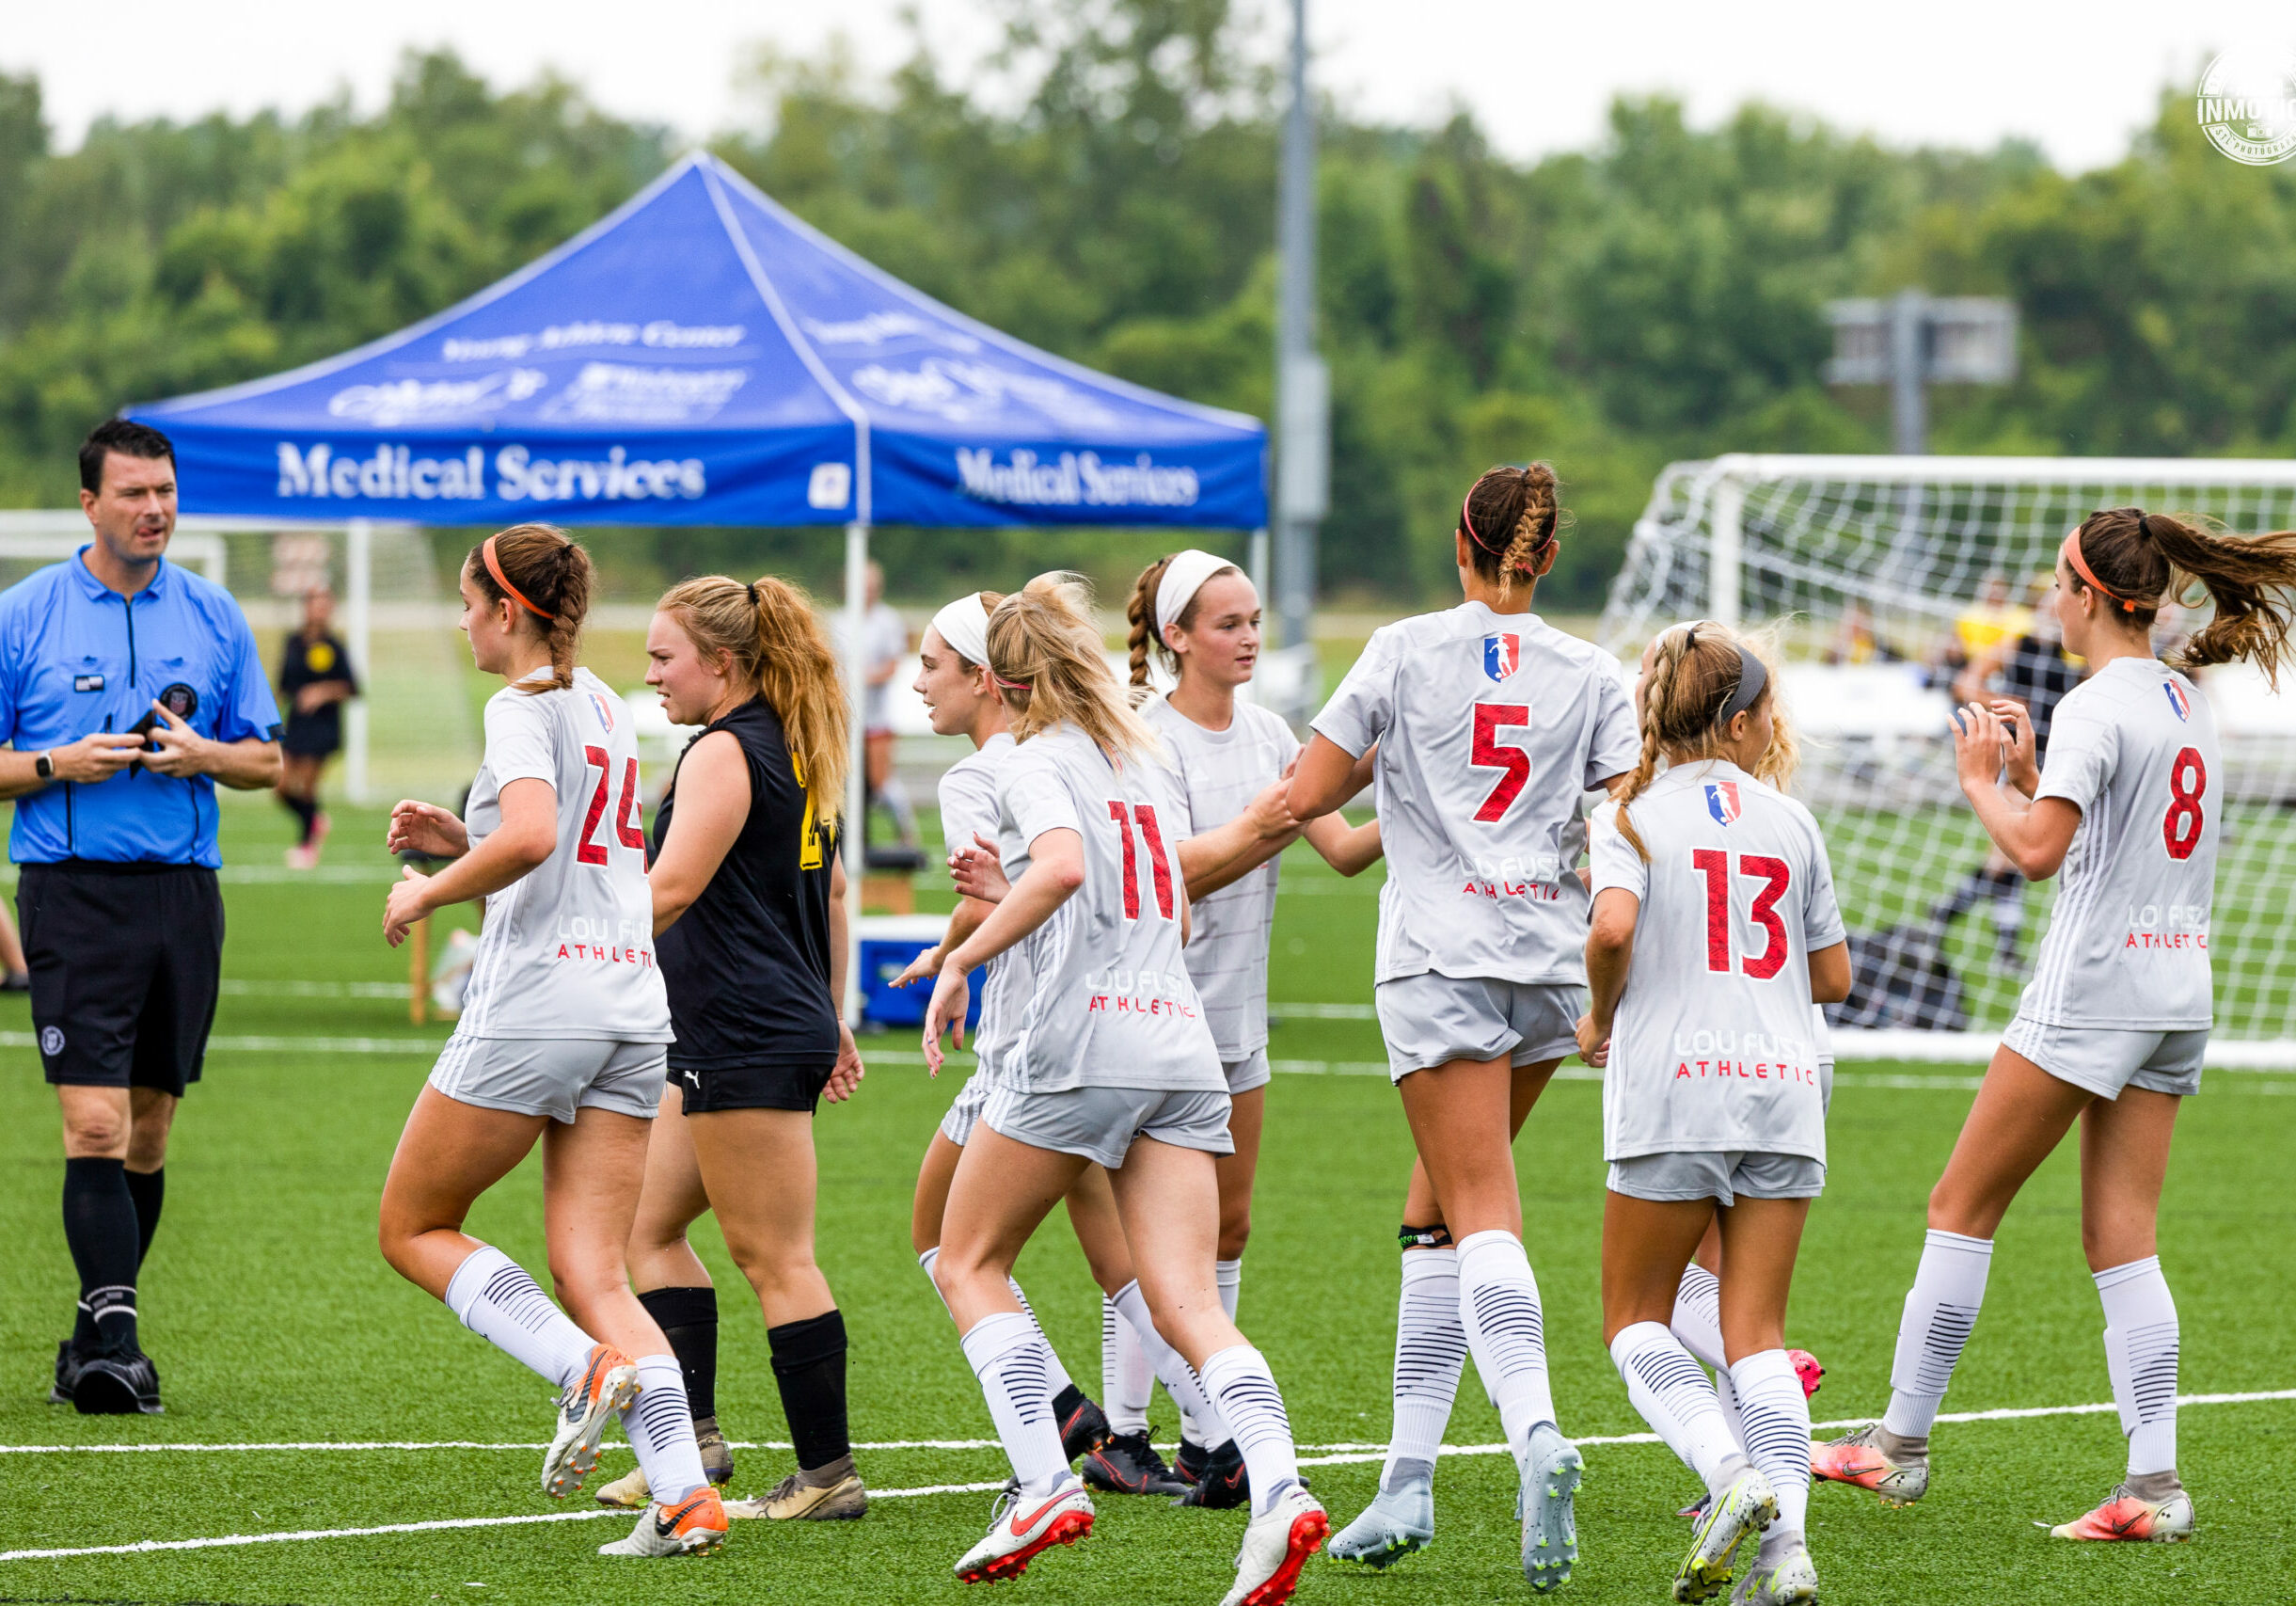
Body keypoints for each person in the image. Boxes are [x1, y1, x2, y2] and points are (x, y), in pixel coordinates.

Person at [1813, 507, 2296, 1542]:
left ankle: (1894, 1447)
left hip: (2091, 992)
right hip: (2175, 995)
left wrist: (1984, 785)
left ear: (2085, 595)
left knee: (1958, 1204)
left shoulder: (2090, 702)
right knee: (2122, 1241)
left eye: (2054, 580)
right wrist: (2036, 783)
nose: (2045, 595)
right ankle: (2154, 1486)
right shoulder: (2180, 696)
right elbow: (2111, 835)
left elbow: (2033, 854)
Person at [920, 574, 1327, 1603]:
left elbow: (1054, 872)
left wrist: (964, 960)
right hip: (1182, 1045)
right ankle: (1278, 1486)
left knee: (965, 1258)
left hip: (1081, 1041)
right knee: (1187, 1298)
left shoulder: (1030, 763)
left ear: (1004, 684)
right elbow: (1176, 915)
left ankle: (1045, 1480)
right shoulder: (1144, 761)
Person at [1293, 462, 1639, 1587]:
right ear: (1544, 560)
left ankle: (1535, 1431)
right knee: (1432, 1212)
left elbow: (1307, 795)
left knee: (1477, 1203)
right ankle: (1404, 1483)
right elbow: (1625, 818)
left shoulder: (1401, 649)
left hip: (1439, 958)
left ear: (1461, 543)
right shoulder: (1592, 670)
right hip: (1544, 960)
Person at [375, 524, 727, 1559]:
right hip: (628, 1004)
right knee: (599, 1269)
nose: (460, 621)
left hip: (540, 1001)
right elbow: (572, 843)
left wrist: (427, 889)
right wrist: (462, 839)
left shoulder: (515, 704)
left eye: (467, 603)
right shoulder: (609, 704)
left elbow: (534, 835)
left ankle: (577, 1368)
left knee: (414, 1226)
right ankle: (683, 1496)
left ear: (508, 611)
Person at [0, 419, 282, 1415]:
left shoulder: (213, 613)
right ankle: (119, 1345)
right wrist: (54, 765)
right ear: (90, 503)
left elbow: (268, 759)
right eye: (133, 493)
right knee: (93, 1123)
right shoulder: (23, 614)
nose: (154, 509)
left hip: (181, 899)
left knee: (149, 1135)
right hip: (70, 892)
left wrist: (205, 755)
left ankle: (87, 1337)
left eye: (164, 491)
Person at [1576, 621, 1852, 1606]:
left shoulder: (1630, 815)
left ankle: (1726, 1474)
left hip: (1673, 1089)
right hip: (1783, 1088)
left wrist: (1599, 1011)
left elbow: (1610, 927)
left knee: (1631, 1318)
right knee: (1756, 1332)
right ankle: (1786, 1559)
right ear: (1739, 723)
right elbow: (1834, 976)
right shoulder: (1791, 820)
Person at [606, 575, 868, 1523]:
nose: (651, 676)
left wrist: (555, 928)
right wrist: (830, 1014)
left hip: (740, 1032)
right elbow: (823, 895)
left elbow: (667, 890)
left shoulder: (724, 751)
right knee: (646, 1230)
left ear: (722, 662)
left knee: (776, 1258)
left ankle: (826, 1475)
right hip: (739, 1028)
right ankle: (694, 1441)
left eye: (663, 657)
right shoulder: (785, 745)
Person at [1126, 549, 1383, 1480]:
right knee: (1155, 1246)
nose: (1246, 638)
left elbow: (1345, 850)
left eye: (1252, 621)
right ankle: (1177, 1432)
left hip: (1238, 1024)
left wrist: (1419, 776)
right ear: (1176, 636)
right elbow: (1173, 872)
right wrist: (1281, 810)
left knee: (1226, 1234)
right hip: (1156, 1021)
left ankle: (1166, 1435)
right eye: (1226, 624)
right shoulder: (1146, 741)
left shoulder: (1273, 733)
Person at [1934, 576, 2082, 964]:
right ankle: (1997, 944)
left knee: (2012, 857)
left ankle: (1947, 916)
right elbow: (1966, 684)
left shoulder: (2077, 653)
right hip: (2021, 760)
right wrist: (2007, 701)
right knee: (2011, 856)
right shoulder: (2018, 645)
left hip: (2061, 759)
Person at [276, 586, 358, 869]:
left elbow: (352, 687)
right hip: (296, 725)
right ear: (306, 607)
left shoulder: (335, 646)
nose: (320, 611)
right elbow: (283, 685)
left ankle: (306, 847)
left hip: (323, 727)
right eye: (315, 604)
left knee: (308, 787)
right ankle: (314, 820)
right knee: (281, 785)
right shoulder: (293, 642)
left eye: (326, 605)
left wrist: (322, 691)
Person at [842, 561, 920, 852]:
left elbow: (893, 664)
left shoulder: (887, 621)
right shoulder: (840, 619)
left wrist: (864, 678)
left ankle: (905, 831)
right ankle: (850, 840)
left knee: (880, 781)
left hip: (876, 716)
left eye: (872, 587)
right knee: (847, 782)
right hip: (847, 718)